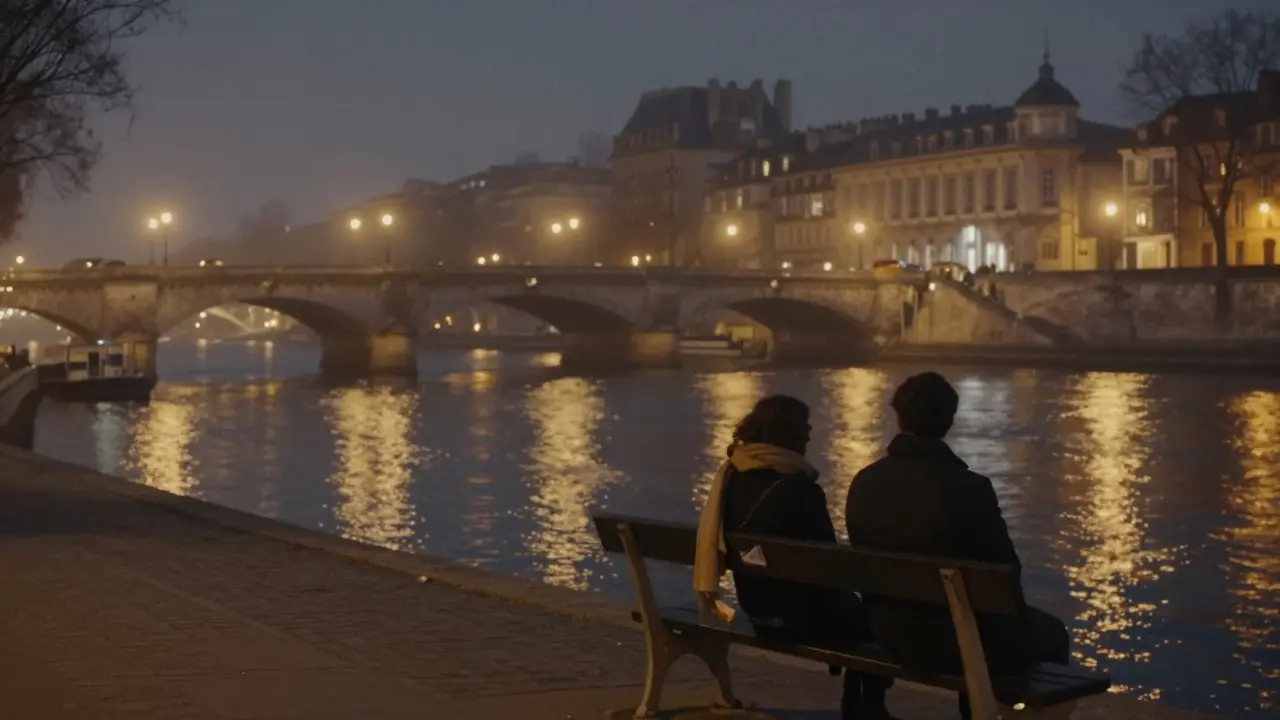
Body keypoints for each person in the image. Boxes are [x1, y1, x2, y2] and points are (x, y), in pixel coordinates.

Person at [845, 372, 1070, 719]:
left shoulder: (864, 481)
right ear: (949, 421)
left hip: (887, 628)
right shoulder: (970, 488)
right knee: (1053, 633)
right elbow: (1005, 575)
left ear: (899, 417)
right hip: (956, 642)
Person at [694, 394, 896, 720]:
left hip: (757, 609)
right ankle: (865, 705)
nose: (809, 434)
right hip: (801, 619)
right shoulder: (800, 489)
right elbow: (831, 567)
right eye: (804, 427)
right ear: (788, 434)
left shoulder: (732, 478)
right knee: (880, 618)